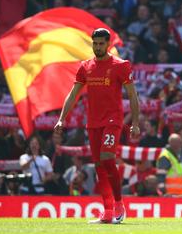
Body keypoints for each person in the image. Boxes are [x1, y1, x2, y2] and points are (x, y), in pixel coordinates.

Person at [55, 28, 141, 224]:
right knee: (99, 167)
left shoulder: (121, 65)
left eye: (101, 43)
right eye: (95, 43)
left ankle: (119, 205)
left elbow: (133, 95)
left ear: (108, 44)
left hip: (113, 120)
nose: (98, 47)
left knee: (107, 158)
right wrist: (61, 118)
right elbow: (73, 94)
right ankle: (108, 211)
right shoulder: (86, 67)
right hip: (93, 122)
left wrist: (135, 122)